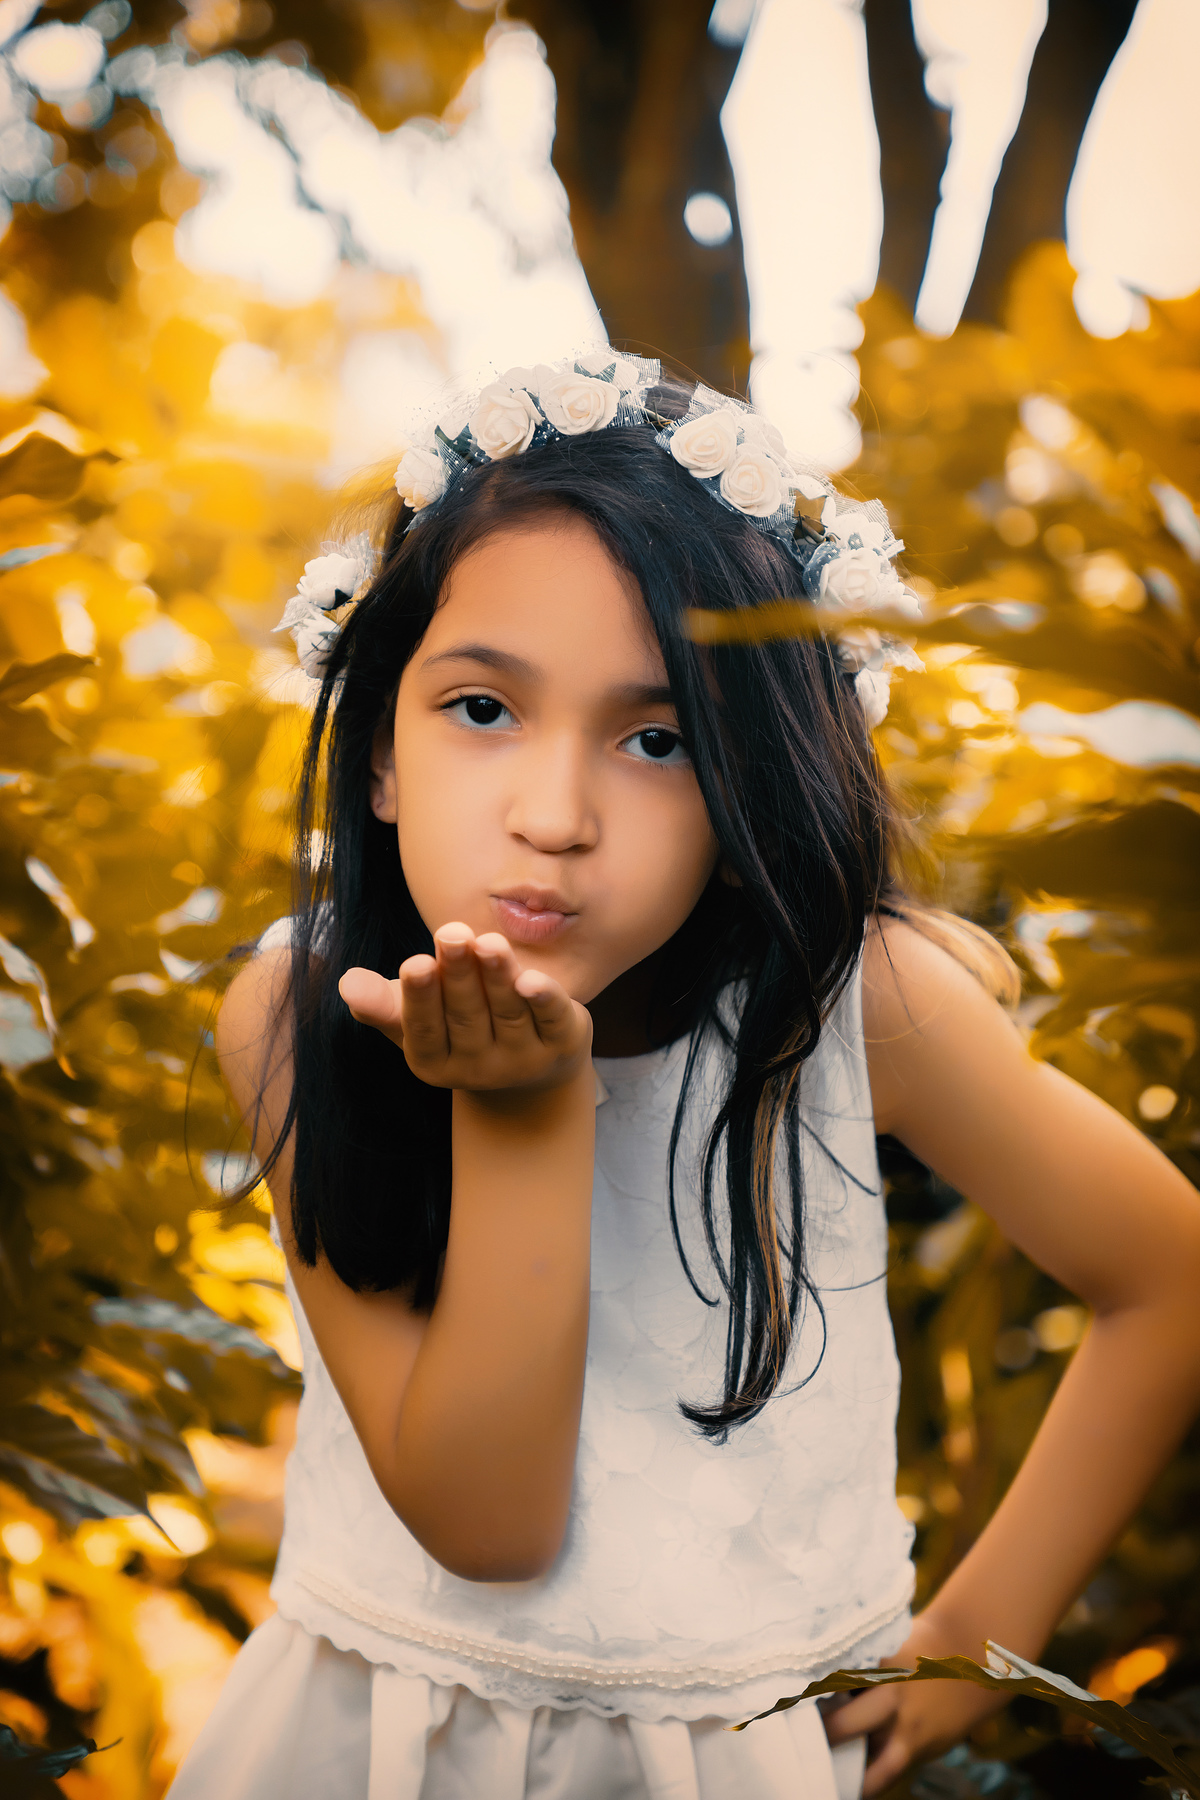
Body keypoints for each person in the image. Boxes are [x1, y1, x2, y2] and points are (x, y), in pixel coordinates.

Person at [170, 353, 1200, 1800]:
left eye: (658, 740)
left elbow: (1170, 1274)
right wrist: (518, 1113)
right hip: (377, 1750)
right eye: (481, 709)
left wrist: (986, 1628)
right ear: (381, 747)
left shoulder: (857, 1012)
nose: (555, 815)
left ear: (750, 781)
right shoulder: (296, 1012)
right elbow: (487, 1524)